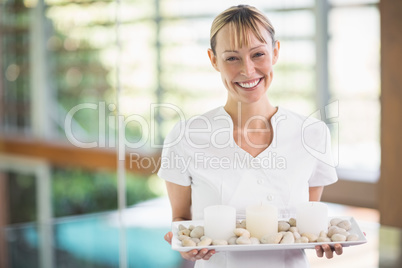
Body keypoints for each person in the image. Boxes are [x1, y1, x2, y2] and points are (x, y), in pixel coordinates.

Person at [158, 5, 343, 268]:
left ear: (275, 52)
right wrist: (187, 248)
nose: (247, 70)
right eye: (232, 58)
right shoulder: (185, 136)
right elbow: (181, 220)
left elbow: (308, 223)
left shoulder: (311, 134)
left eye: (258, 54)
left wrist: (323, 239)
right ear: (213, 60)